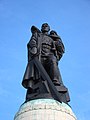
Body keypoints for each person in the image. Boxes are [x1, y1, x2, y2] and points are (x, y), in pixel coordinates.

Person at [22, 23, 70, 103]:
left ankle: (55, 82)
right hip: (40, 56)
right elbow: (32, 42)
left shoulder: (52, 38)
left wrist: (57, 38)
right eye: (43, 26)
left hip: (49, 55)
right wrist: (34, 48)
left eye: (46, 26)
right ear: (41, 28)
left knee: (53, 61)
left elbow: (61, 49)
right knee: (39, 75)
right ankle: (39, 87)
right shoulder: (38, 35)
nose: (45, 27)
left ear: (49, 29)